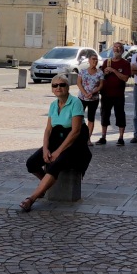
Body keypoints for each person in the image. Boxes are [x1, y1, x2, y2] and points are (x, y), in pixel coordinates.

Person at [20, 75, 92, 211]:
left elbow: (76, 131)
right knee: (32, 162)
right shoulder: (53, 105)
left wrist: (58, 152)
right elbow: (48, 129)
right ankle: (46, 185)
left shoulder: (75, 102)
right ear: (52, 89)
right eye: (55, 85)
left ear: (67, 87)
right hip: (56, 140)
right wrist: (46, 148)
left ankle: (32, 198)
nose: (58, 87)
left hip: (74, 144)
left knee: (55, 164)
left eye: (62, 85)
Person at [97, 42, 132, 145]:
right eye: (115, 47)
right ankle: (103, 137)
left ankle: (121, 138)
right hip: (106, 94)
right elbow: (100, 77)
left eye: (119, 48)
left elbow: (125, 78)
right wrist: (105, 73)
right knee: (104, 115)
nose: (117, 49)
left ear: (122, 50)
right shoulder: (106, 62)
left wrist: (114, 71)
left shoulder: (125, 63)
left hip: (119, 94)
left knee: (120, 115)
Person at [76, 53, 103, 144]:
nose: (94, 61)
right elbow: (79, 83)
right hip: (82, 98)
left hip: (93, 99)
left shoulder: (100, 73)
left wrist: (92, 92)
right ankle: (77, 137)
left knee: (91, 118)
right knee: (78, 117)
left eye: (96, 59)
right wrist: (85, 93)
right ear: (89, 61)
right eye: (93, 59)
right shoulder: (83, 71)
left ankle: (88, 138)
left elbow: (101, 85)